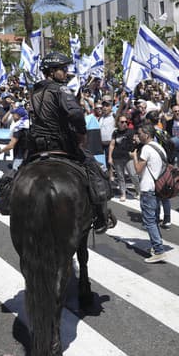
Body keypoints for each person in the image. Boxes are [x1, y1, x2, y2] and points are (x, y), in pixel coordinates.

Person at [25, 51, 113, 231]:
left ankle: (8, 200)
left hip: (37, 144)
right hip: (61, 142)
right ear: (50, 72)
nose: (66, 72)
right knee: (93, 168)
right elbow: (75, 113)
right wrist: (81, 132)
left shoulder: (34, 90)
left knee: (21, 170)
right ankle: (101, 216)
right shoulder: (61, 89)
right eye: (62, 69)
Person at [131, 122, 168, 263]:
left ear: (146, 134)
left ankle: (159, 250)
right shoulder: (159, 147)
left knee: (149, 221)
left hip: (148, 189)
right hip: (158, 187)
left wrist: (134, 156)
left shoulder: (146, 148)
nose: (138, 136)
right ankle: (156, 246)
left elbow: (138, 170)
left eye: (139, 133)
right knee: (154, 219)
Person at [109, 114, 140, 200]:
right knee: (120, 176)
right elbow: (112, 145)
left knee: (133, 175)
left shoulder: (131, 131)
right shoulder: (115, 132)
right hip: (117, 157)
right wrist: (110, 157)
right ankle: (123, 194)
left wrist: (134, 152)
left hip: (128, 157)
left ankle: (138, 191)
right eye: (122, 122)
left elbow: (136, 142)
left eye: (126, 122)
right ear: (118, 123)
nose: (124, 123)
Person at [0, 106, 30, 170]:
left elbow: (11, 145)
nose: (12, 115)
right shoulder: (27, 124)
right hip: (27, 157)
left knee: (16, 177)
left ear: (18, 116)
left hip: (19, 158)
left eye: (14, 114)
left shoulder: (18, 128)